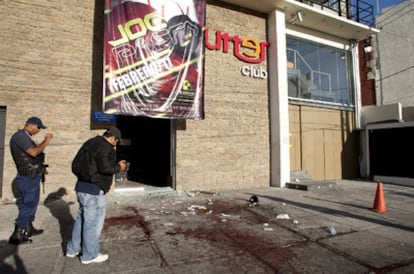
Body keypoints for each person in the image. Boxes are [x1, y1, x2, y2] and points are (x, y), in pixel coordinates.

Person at [66, 126, 127, 264]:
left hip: (81, 187)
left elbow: (75, 165)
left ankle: (72, 249)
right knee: (92, 224)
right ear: (112, 138)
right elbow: (106, 168)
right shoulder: (107, 147)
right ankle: (89, 255)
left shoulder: (90, 142)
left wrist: (85, 177)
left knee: (81, 220)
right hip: (94, 190)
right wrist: (119, 167)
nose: (116, 144)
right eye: (116, 141)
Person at [9, 117, 54, 245]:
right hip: (27, 176)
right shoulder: (20, 137)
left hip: (32, 175)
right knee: (28, 203)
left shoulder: (25, 137)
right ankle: (17, 233)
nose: (38, 130)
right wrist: (46, 141)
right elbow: (33, 153)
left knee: (32, 202)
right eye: (38, 127)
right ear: (31, 125)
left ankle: (28, 227)